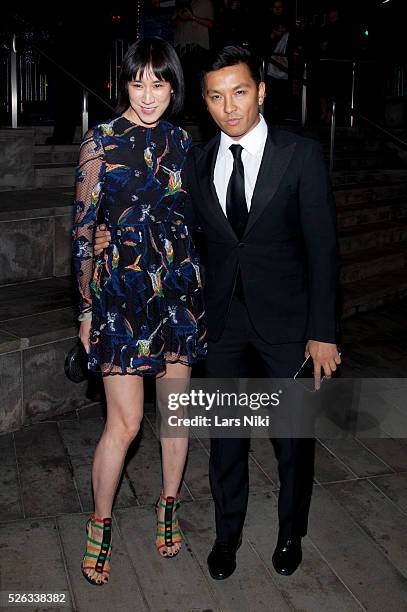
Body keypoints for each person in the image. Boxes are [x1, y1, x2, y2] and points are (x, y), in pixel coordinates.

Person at [94, 45, 340, 581]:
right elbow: (178, 233)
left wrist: (323, 332)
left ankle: (289, 532)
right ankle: (226, 537)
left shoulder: (299, 155)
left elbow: (324, 249)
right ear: (204, 102)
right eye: (216, 97)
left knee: (291, 440)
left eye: (240, 92)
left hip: (288, 326)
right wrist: (110, 241)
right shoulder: (196, 160)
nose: (229, 107)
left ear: (261, 91)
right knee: (227, 440)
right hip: (220, 324)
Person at [72, 36, 206, 586]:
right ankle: (99, 522)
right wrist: (83, 308)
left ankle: (167, 506)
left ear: (173, 86)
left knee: (175, 416)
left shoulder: (186, 143)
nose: (147, 95)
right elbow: (82, 232)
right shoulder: (100, 142)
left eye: (159, 83)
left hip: (176, 294)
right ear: (123, 82)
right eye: (137, 82)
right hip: (120, 296)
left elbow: (202, 220)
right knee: (124, 425)